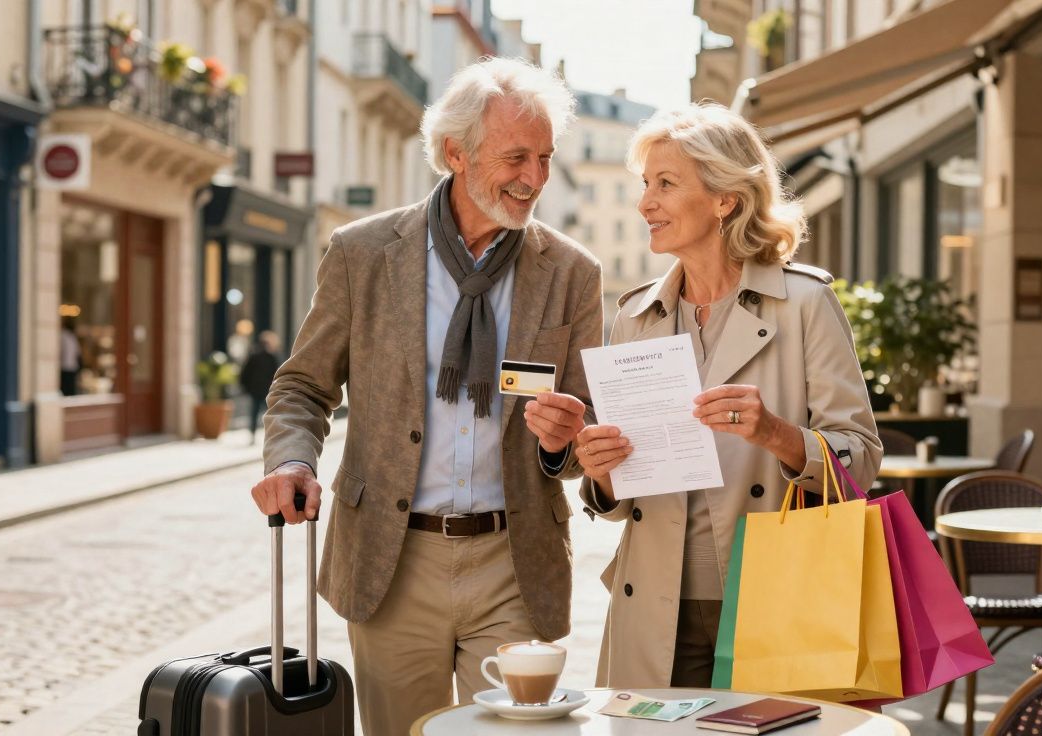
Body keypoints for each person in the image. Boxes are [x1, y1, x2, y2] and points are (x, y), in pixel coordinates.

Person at [248, 58, 603, 735]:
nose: (534, 178)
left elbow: (587, 434)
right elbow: (302, 384)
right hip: (391, 557)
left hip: (514, 562)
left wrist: (563, 446)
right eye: (516, 157)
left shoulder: (572, 273)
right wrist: (290, 462)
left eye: (545, 158)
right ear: (455, 154)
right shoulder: (363, 252)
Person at [555, 103, 882, 688]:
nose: (645, 203)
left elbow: (862, 455)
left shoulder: (804, 305)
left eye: (666, 184)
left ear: (725, 198)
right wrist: (601, 473)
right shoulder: (635, 317)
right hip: (655, 604)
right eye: (644, 184)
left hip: (772, 594)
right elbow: (625, 493)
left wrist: (777, 435)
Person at [239, 331, 283, 445]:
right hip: (268, 390)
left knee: (255, 413)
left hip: (256, 390)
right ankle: (273, 436)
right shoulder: (272, 356)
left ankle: (253, 435)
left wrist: (246, 388)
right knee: (272, 414)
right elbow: (278, 374)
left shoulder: (254, 356)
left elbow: (244, 374)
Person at [60, 318, 81, 397]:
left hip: (64, 367)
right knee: (70, 393)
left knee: (65, 392)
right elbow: (78, 353)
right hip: (72, 367)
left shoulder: (62, 335)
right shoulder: (72, 337)